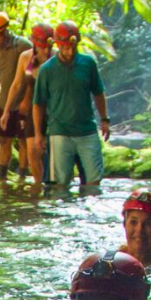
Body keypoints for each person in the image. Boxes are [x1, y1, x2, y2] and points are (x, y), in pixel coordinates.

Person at [31, 21, 111, 193]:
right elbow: (38, 104)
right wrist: (38, 134)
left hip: (87, 132)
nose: (69, 51)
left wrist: (105, 120)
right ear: (57, 45)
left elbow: (98, 92)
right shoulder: (47, 69)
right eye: (64, 47)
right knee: (59, 184)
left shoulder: (88, 63)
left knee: (94, 182)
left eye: (71, 47)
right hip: (59, 133)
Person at [0, 12, 32, 182]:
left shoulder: (23, 46)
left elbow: (33, 75)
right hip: (5, 104)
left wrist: (27, 100)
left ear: (4, 33)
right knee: (4, 140)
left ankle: (22, 176)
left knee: (24, 140)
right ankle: (2, 176)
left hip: (24, 103)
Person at [22, 22, 53, 184]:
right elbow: (18, 84)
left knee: (51, 154)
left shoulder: (57, 59)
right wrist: (6, 110)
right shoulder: (26, 58)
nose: (44, 49)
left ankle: (53, 187)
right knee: (32, 153)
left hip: (53, 111)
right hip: (32, 110)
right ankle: (39, 185)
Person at [120, 190, 151, 263]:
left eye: (148, 223)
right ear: (124, 224)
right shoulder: (109, 262)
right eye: (133, 222)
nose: (139, 230)